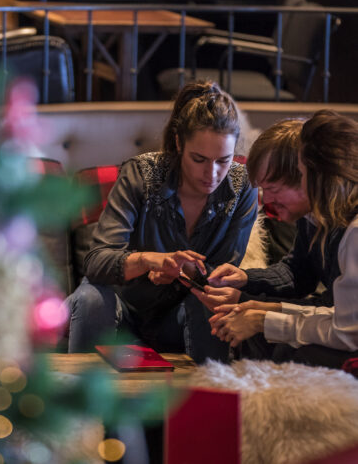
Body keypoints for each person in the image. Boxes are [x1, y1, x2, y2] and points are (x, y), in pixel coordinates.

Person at [66, 80, 258, 363]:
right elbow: (97, 262)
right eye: (199, 159)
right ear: (179, 143)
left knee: (210, 302)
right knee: (92, 298)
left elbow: (225, 271)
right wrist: (147, 261)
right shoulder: (141, 174)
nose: (212, 173)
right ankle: (80, 401)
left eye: (223, 160)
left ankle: (208, 396)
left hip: (181, 319)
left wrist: (183, 271)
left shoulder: (242, 186)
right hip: (123, 311)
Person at [204, 110, 358, 368]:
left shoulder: (351, 230)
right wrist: (251, 291)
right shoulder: (319, 221)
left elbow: (343, 327)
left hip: (344, 338)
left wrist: (263, 315)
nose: (265, 199)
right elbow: (299, 274)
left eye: (303, 172)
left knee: (291, 351)